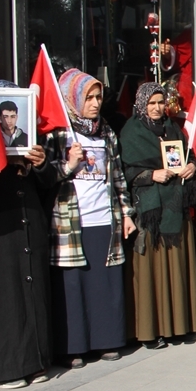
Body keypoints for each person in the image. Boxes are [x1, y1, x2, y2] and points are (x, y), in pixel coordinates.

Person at [47, 69, 136, 367]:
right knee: (73, 288)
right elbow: (45, 178)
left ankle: (106, 340)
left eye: (98, 97)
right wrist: (69, 164)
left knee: (103, 284)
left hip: (104, 220)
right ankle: (74, 347)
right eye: (89, 97)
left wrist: (126, 213)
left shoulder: (106, 131)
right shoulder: (58, 133)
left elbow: (119, 177)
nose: (96, 103)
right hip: (70, 222)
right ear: (73, 99)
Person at [120, 83, 196, 349]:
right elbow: (124, 171)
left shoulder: (171, 128)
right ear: (141, 104)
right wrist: (150, 175)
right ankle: (151, 330)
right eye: (151, 103)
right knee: (152, 273)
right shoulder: (131, 131)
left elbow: (188, 154)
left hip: (175, 208)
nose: (157, 108)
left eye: (160, 102)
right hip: (150, 212)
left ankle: (180, 325)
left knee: (177, 267)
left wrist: (192, 166)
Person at [0, 81, 53, 389]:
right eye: (5, 114)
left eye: (14, 114)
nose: (10, 121)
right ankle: (7, 367)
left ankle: (35, 360)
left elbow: (51, 183)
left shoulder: (30, 139)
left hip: (29, 222)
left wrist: (39, 165)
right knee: (4, 297)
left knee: (32, 291)